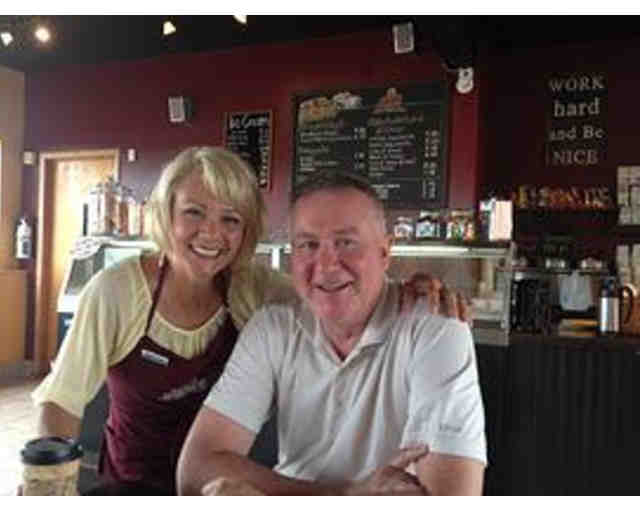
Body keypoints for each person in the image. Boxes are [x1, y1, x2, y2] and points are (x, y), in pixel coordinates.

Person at [31, 147, 468, 495]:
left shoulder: (253, 288)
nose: (211, 233)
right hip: (134, 485)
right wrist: (51, 485)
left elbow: (331, 287)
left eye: (230, 219)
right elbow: (61, 402)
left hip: (222, 487)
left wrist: (410, 289)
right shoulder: (117, 291)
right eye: (194, 212)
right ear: (166, 214)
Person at [177, 169, 487, 496]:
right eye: (308, 245)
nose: (325, 265)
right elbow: (195, 472)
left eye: (346, 243)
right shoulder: (274, 327)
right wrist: (349, 494)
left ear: (385, 253)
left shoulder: (436, 329)